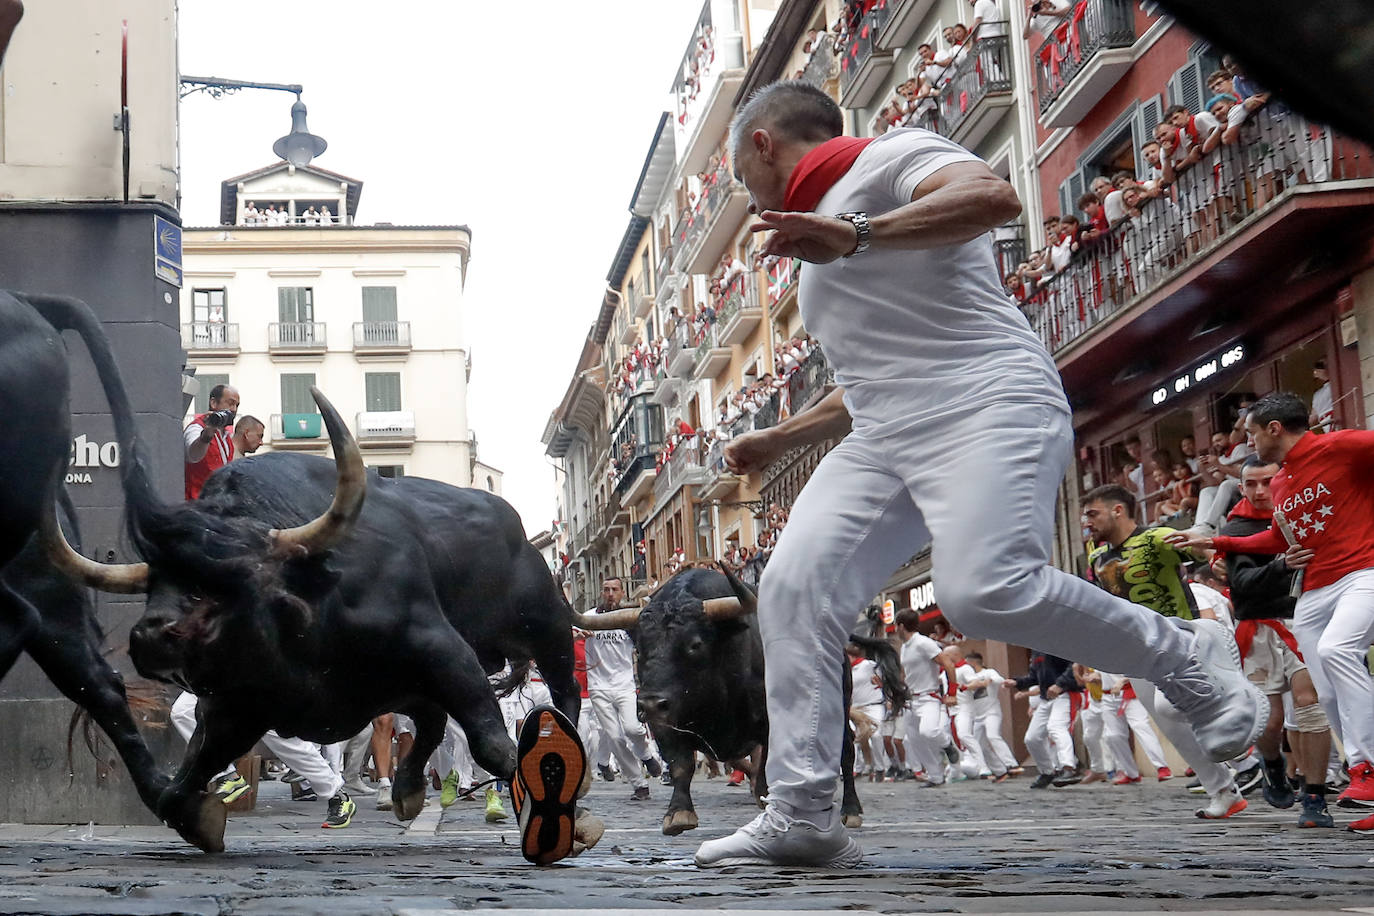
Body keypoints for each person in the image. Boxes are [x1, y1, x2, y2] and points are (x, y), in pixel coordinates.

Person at [693, 80, 1262, 868]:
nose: (745, 196)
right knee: (793, 589)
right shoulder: (816, 248)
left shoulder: (895, 156)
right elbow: (866, 376)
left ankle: (1185, 654)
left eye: (738, 177)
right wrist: (780, 435)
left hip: (989, 400)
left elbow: (992, 197)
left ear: (762, 143)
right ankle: (804, 812)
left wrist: (854, 234)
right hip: (886, 435)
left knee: (983, 590)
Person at [1170, 392, 1374, 831]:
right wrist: (1216, 542)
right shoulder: (1282, 482)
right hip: (1316, 588)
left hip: (1364, 571)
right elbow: (1281, 541)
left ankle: (1365, 768)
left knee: (1339, 651)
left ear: (1274, 429)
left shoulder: (1343, 445)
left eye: (1250, 433)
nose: (1246, 443)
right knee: (1327, 690)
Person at [1081, 484, 1251, 820]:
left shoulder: (1157, 538)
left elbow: (1203, 550)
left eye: (1093, 513)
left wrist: (1216, 561)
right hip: (1133, 649)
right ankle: (1223, 791)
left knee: (1171, 707)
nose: (1088, 522)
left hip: (1178, 637)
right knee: (1169, 723)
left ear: (1118, 511)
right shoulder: (1095, 556)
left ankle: (1245, 755)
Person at [1215, 457, 1335, 827]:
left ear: (1282, 480)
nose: (1260, 491)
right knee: (1268, 722)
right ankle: (1271, 764)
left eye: (1267, 482)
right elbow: (1243, 585)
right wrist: (1281, 565)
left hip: (1304, 619)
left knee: (1309, 704)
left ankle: (1314, 796)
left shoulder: (1308, 512)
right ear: (1242, 488)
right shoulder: (1236, 527)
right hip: (1259, 628)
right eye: (1251, 484)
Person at [581, 577, 658, 801]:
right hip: (599, 686)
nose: (610, 593)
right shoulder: (589, 617)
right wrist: (576, 634)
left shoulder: (629, 619)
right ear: (601, 592)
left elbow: (644, 645)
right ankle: (639, 784)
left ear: (622, 593)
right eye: (606, 589)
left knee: (633, 729)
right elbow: (569, 632)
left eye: (615, 589)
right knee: (614, 738)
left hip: (624, 685)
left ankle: (646, 755)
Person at [894, 610, 958, 786]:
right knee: (912, 739)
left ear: (900, 626)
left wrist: (952, 693)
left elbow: (948, 664)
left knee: (928, 731)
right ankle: (936, 776)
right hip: (911, 699)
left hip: (929, 696)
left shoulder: (924, 643)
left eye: (895, 626)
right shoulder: (905, 647)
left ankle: (947, 744)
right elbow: (906, 675)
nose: (894, 630)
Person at [1006, 651, 1079, 787]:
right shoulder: (1036, 652)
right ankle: (1047, 772)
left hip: (1064, 694)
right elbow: (1034, 677)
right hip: (1046, 698)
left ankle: (1068, 767)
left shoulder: (1057, 643)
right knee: (1032, 738)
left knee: (1056, 727)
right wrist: (1017, 682)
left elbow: (1073, 665)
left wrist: (1060, 684)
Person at [184, 384, 239, 500]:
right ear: (213, 403)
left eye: (236, 405)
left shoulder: (227, 438)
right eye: (230, 403)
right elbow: (193, 455)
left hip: (216, 506)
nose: (234, 409)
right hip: (196, 506)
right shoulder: (196, 428)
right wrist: (206, 437)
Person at [1310, 360, 1334, 432]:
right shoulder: (1317, 395)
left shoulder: (1336, 385)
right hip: (1327, 425)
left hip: (1335, 421)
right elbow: (1313, 418)